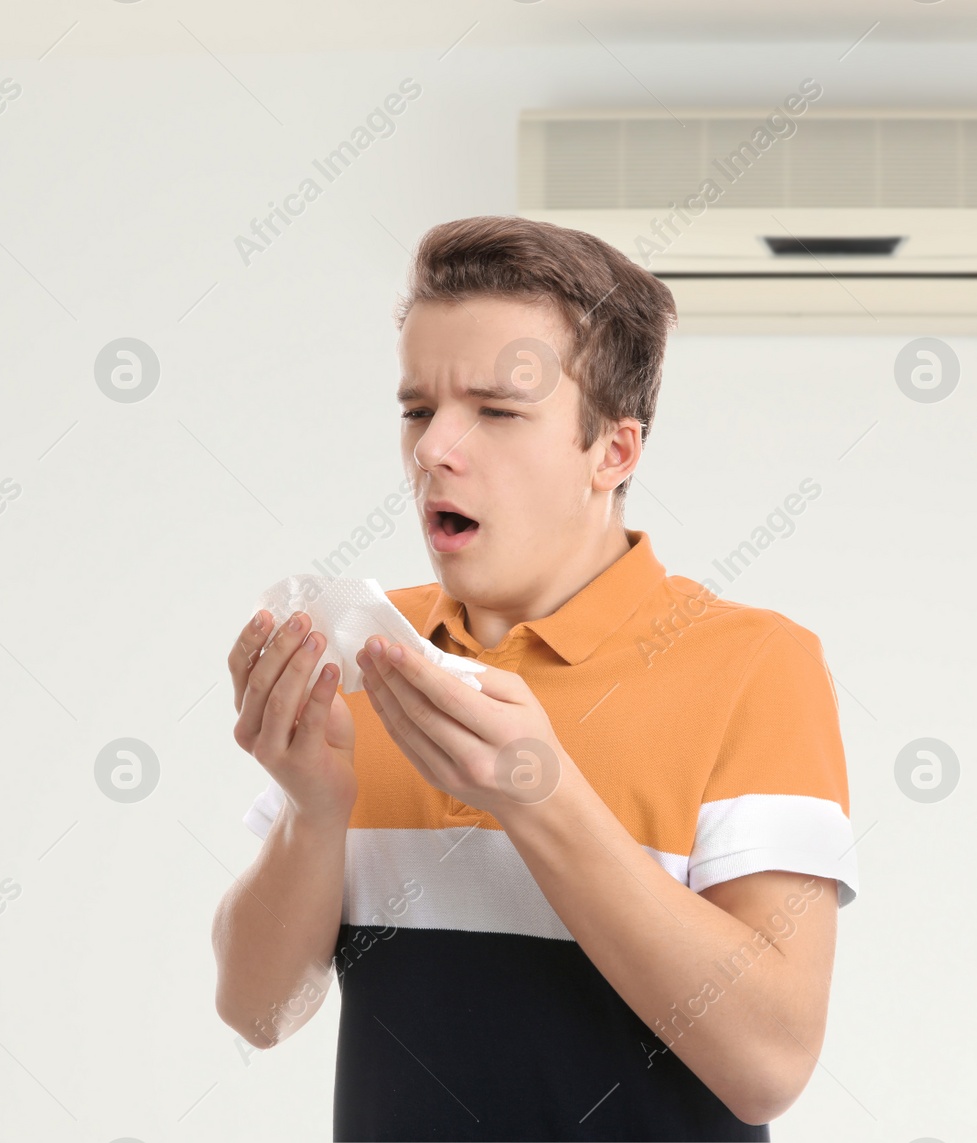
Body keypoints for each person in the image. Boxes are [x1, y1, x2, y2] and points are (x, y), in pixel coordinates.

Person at [211, 215, 858, 1141]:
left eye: (498, 411)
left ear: (614, 452)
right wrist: (313, 810)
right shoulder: (364, 658)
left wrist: (538, 794)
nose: (435, 448)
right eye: (417, 409)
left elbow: (767, 1064)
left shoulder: (757, 664)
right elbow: (256, 1011)